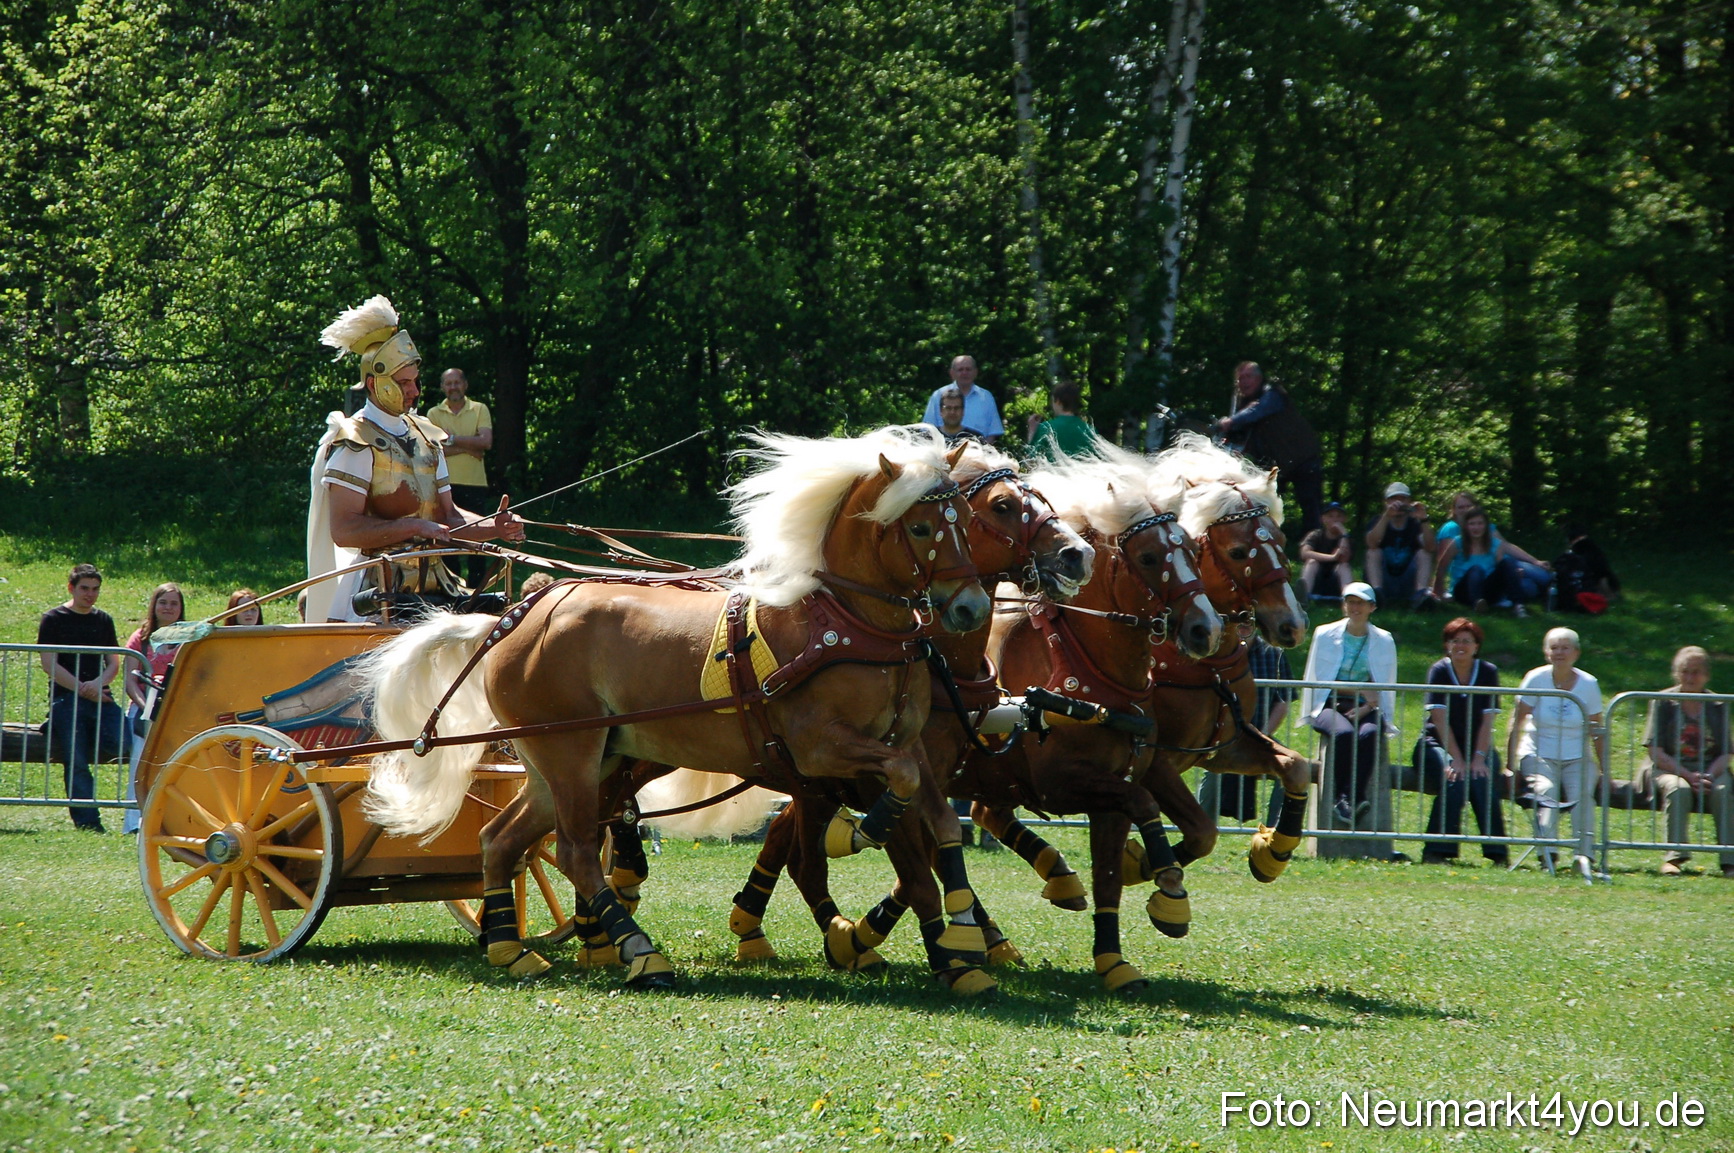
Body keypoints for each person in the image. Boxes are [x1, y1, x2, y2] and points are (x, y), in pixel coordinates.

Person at [305, 295, 525, 623]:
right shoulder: (356, 441)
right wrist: (413, 526)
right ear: (374, 383)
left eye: (415, 381)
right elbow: (345, 530)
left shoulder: (427, 436)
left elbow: (448, 517)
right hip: (377, 596)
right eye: (404, 382)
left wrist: (495, 526)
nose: (415, 391)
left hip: (437, 589)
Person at [36, 564, 126, 831]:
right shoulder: (53, 618)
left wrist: (97, 685)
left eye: (95, 589)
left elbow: (114, 663)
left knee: (125, 744)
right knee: (75, 760)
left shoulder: (103, 620)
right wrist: (83, 689)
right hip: (66, 698)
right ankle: (88, 822)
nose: (90, 594)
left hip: (100, 697)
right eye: (85, 588)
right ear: (71, 588)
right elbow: (48, 663)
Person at [1508, 627, 1605, 876]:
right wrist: (1510, 765)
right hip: (1538, 754)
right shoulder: (1535, 678)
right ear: (1545, 652)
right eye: (1554, 647)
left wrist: (1606, 769)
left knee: (1583, 795)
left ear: (1576, 653)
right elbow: (1516, 722)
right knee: (1546, 792)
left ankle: (1584, 856)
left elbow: (1597, 730)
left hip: (1577, 756)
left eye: (1565, 648)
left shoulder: (1588, 684)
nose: (1559, 652)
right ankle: (1547, 855)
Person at [1301, 582, 1397, 827]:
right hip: (1329, 704)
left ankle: (1356, 796)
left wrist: (1365, 707)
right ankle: (1339, 798)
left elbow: (1381, 685)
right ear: (1344, 605)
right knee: (1343, 733)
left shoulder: (1384, 639)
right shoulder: (1324, 633)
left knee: (1371, 733)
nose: (1355, 607)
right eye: (1351, 602)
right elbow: (1321, 681)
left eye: (1361, 603)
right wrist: (1357, 690)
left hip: (1366, 706)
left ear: (1372, 607)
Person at [1415, 618, 1507, 865]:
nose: (1460, 646)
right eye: (1455, 641)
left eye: (1467, 641)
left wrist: (1478, 758)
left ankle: (1498, 853)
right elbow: (1439, 720)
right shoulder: (1439, 671)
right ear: (1447, 645)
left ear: (1477, 646)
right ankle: (1436, 852)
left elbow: (1488, 721)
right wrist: (1457, 758)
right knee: (1454, 778)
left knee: (1482, 778)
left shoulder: (1488, 672)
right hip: (1436, 744)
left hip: (1478, 745)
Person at [1640, 646, 1733, 878]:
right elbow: (1655, 751)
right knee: (1678, 789)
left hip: (1711, 766)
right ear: (1676, 673)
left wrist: (1710, 775)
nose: (1690, 677)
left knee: (1722, 790)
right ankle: (1674, 857)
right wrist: (1687, 775)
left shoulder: (1718, 704)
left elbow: (1726, 752)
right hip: (1669, 766)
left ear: (1707, 675)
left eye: (1696, 672)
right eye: (1685, 671)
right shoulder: (1663, 702)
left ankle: (1729, 860)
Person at [1216, 361, 1324, 536]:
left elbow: (1257, 412)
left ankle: (1317, 548)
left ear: (1259, 378)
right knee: (1264, 504)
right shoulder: (1243, 404)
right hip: (1275, 465)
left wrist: (1230, 421)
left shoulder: (1273, 394)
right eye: (1240, 379)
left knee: (1311, 507)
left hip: (1302, 459)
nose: (1243, 382)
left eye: (1248, 376)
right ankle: (1265, 543)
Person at [1199, 634, 1297, 822]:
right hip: (1221, 736)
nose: (1244, 625)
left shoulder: (1275, 654)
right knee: (1211, 771)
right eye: (1240, 620)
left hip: (1260, 734)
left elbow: (1283, 700)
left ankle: (1277, 834)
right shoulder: (1218, 653)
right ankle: (1200, 829)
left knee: (1290, 768)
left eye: (1249, 619)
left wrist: (1263, 734)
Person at [121, 583, 185, 834]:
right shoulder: (141, 638)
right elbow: (129, 680)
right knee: (140, 764)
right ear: (154, 605)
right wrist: (145, 706)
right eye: (163, 602)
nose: (168, 608)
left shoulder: (188, 638)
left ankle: (171, 822)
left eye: (173, 603)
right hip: (143, 708)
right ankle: (133, 824)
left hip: (177, 709)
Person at [426, 368, 495, 590]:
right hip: (445, 486)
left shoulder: (479, 409)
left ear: (465, 385)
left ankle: (477, 593)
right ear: (442, 387)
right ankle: (451, 589)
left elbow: (485, 442)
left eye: (457, 382)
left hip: (475, 484)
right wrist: (469, 448)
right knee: (447, 537)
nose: (453, 387)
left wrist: (452, 439)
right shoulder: (433, 414)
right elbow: (433, 451)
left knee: (477, 539)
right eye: (449, 383)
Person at [1433, 506, 1550, 617]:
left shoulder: (1495, 544)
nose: (1476, 528)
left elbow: (1503, 564)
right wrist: (1439, 592)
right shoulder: (1457, 543)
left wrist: (1514, 572)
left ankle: (1518, 606)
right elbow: (1442, 567)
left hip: (1488, 590)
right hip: (1464, 591)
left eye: (1480, 523)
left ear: (1486, 526)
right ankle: (1477, 604)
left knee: (1508, 562)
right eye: (1472, 524)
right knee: (1476, 569)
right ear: (1466, 526)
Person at [1364, 482, 1437, 611]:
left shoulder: (1415, 523)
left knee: (1424, 553)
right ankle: (1378, 595)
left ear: (1409, 501)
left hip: (1408, 579)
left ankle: (1420, 596)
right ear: (1386, 502)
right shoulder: (1378, 521)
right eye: (1394, 499)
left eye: (1403, 499)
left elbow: (1430, 547)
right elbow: (1372, 543)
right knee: (1372, 552)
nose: (1398, 503)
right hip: (1385, 578)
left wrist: (1424, 520)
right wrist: (1386, 516)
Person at [921, 355, 1003, 445]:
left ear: (975, 372)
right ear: (952, 373)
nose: (964, 373)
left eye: (968, 369)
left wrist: (982, 452)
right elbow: (928, 431)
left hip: (976, 453)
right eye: (960, 370)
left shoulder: (986, 397)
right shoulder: (938, 395)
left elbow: (993, 432)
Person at [1026, 380, 1095, 462]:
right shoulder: (1090, 431)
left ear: (1058, 401)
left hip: (1054, 474)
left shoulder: (1046, 428)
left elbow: (1032, 460)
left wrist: (1032, 432)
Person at [1298, 501, 1353, 602]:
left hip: (1336, 581)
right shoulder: (1315, 535)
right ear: (1323, 519)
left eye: (1338, 516)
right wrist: (1332, 557)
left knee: (1343, 566)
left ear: (1344, 519)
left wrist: (1344, 534)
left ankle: (1348, 599)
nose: (1335, 520)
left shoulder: (1346, 538)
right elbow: (1304, 553)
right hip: (1316, 579)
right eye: (1331, 516)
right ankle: (1303, 598)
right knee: (1312, 562)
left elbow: (1345, 558)